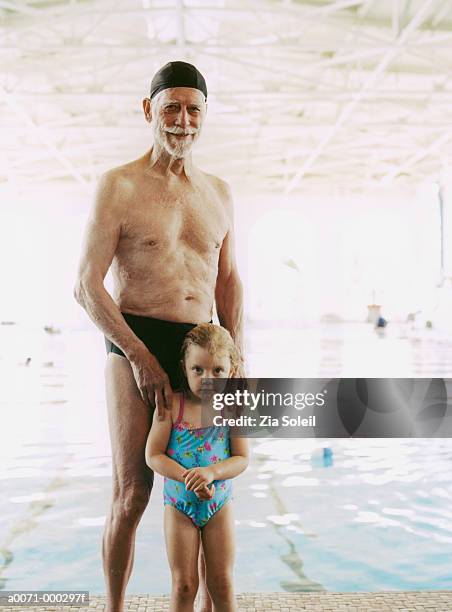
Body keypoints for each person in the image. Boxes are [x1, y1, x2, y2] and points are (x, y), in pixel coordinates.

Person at [73, 60, 244, 612]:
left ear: (204, 115)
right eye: (171, 106)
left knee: (212, 484)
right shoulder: (118, 185)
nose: (182, 119)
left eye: (193, 108)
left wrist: (237, 355)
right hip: (134, 338)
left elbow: (229, 278)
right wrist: (140, 355)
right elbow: (85, 285)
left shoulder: (218, 191)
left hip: (204, 349)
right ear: (149, 110)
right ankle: (115, 607)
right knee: (132, 491)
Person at [146, 323, 249, 612]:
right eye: (198, 370)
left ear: (232, 369)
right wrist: (187, 476)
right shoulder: (171, 405)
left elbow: (241, 458)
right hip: (179, 506)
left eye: (218, 371)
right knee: (183, 584)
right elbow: (153, 455)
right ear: (185, 367)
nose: (208, 379)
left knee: (222, 583)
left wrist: (212, 473)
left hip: (219, 505)